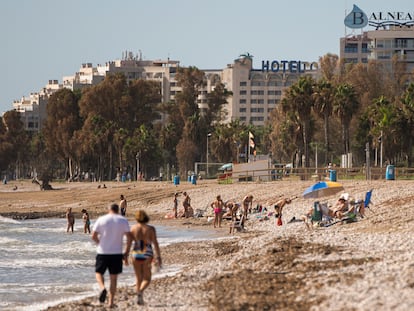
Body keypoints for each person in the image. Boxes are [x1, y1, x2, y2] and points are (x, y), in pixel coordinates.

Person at [91, 203, 132, 308]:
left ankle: (102, 288)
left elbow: (93, 235)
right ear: (118, 210)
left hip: (103, 252)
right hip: (117, 253)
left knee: (99, 272)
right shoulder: (122, 220)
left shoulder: (102, 219)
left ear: (108, 210)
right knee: (113, 278)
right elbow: (129, 238)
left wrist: (100, 243)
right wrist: (126, 253)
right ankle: (110, 302)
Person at [127, 210, 161, 305]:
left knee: (138, 278)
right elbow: (155, 243)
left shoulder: (133, 228)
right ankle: (140, 292)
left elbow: (129, 244)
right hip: (147, 252)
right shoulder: (150, 229)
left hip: (136, 253)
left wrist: (125, 255)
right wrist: (158, 256)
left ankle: (139, 299)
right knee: (147, 278)